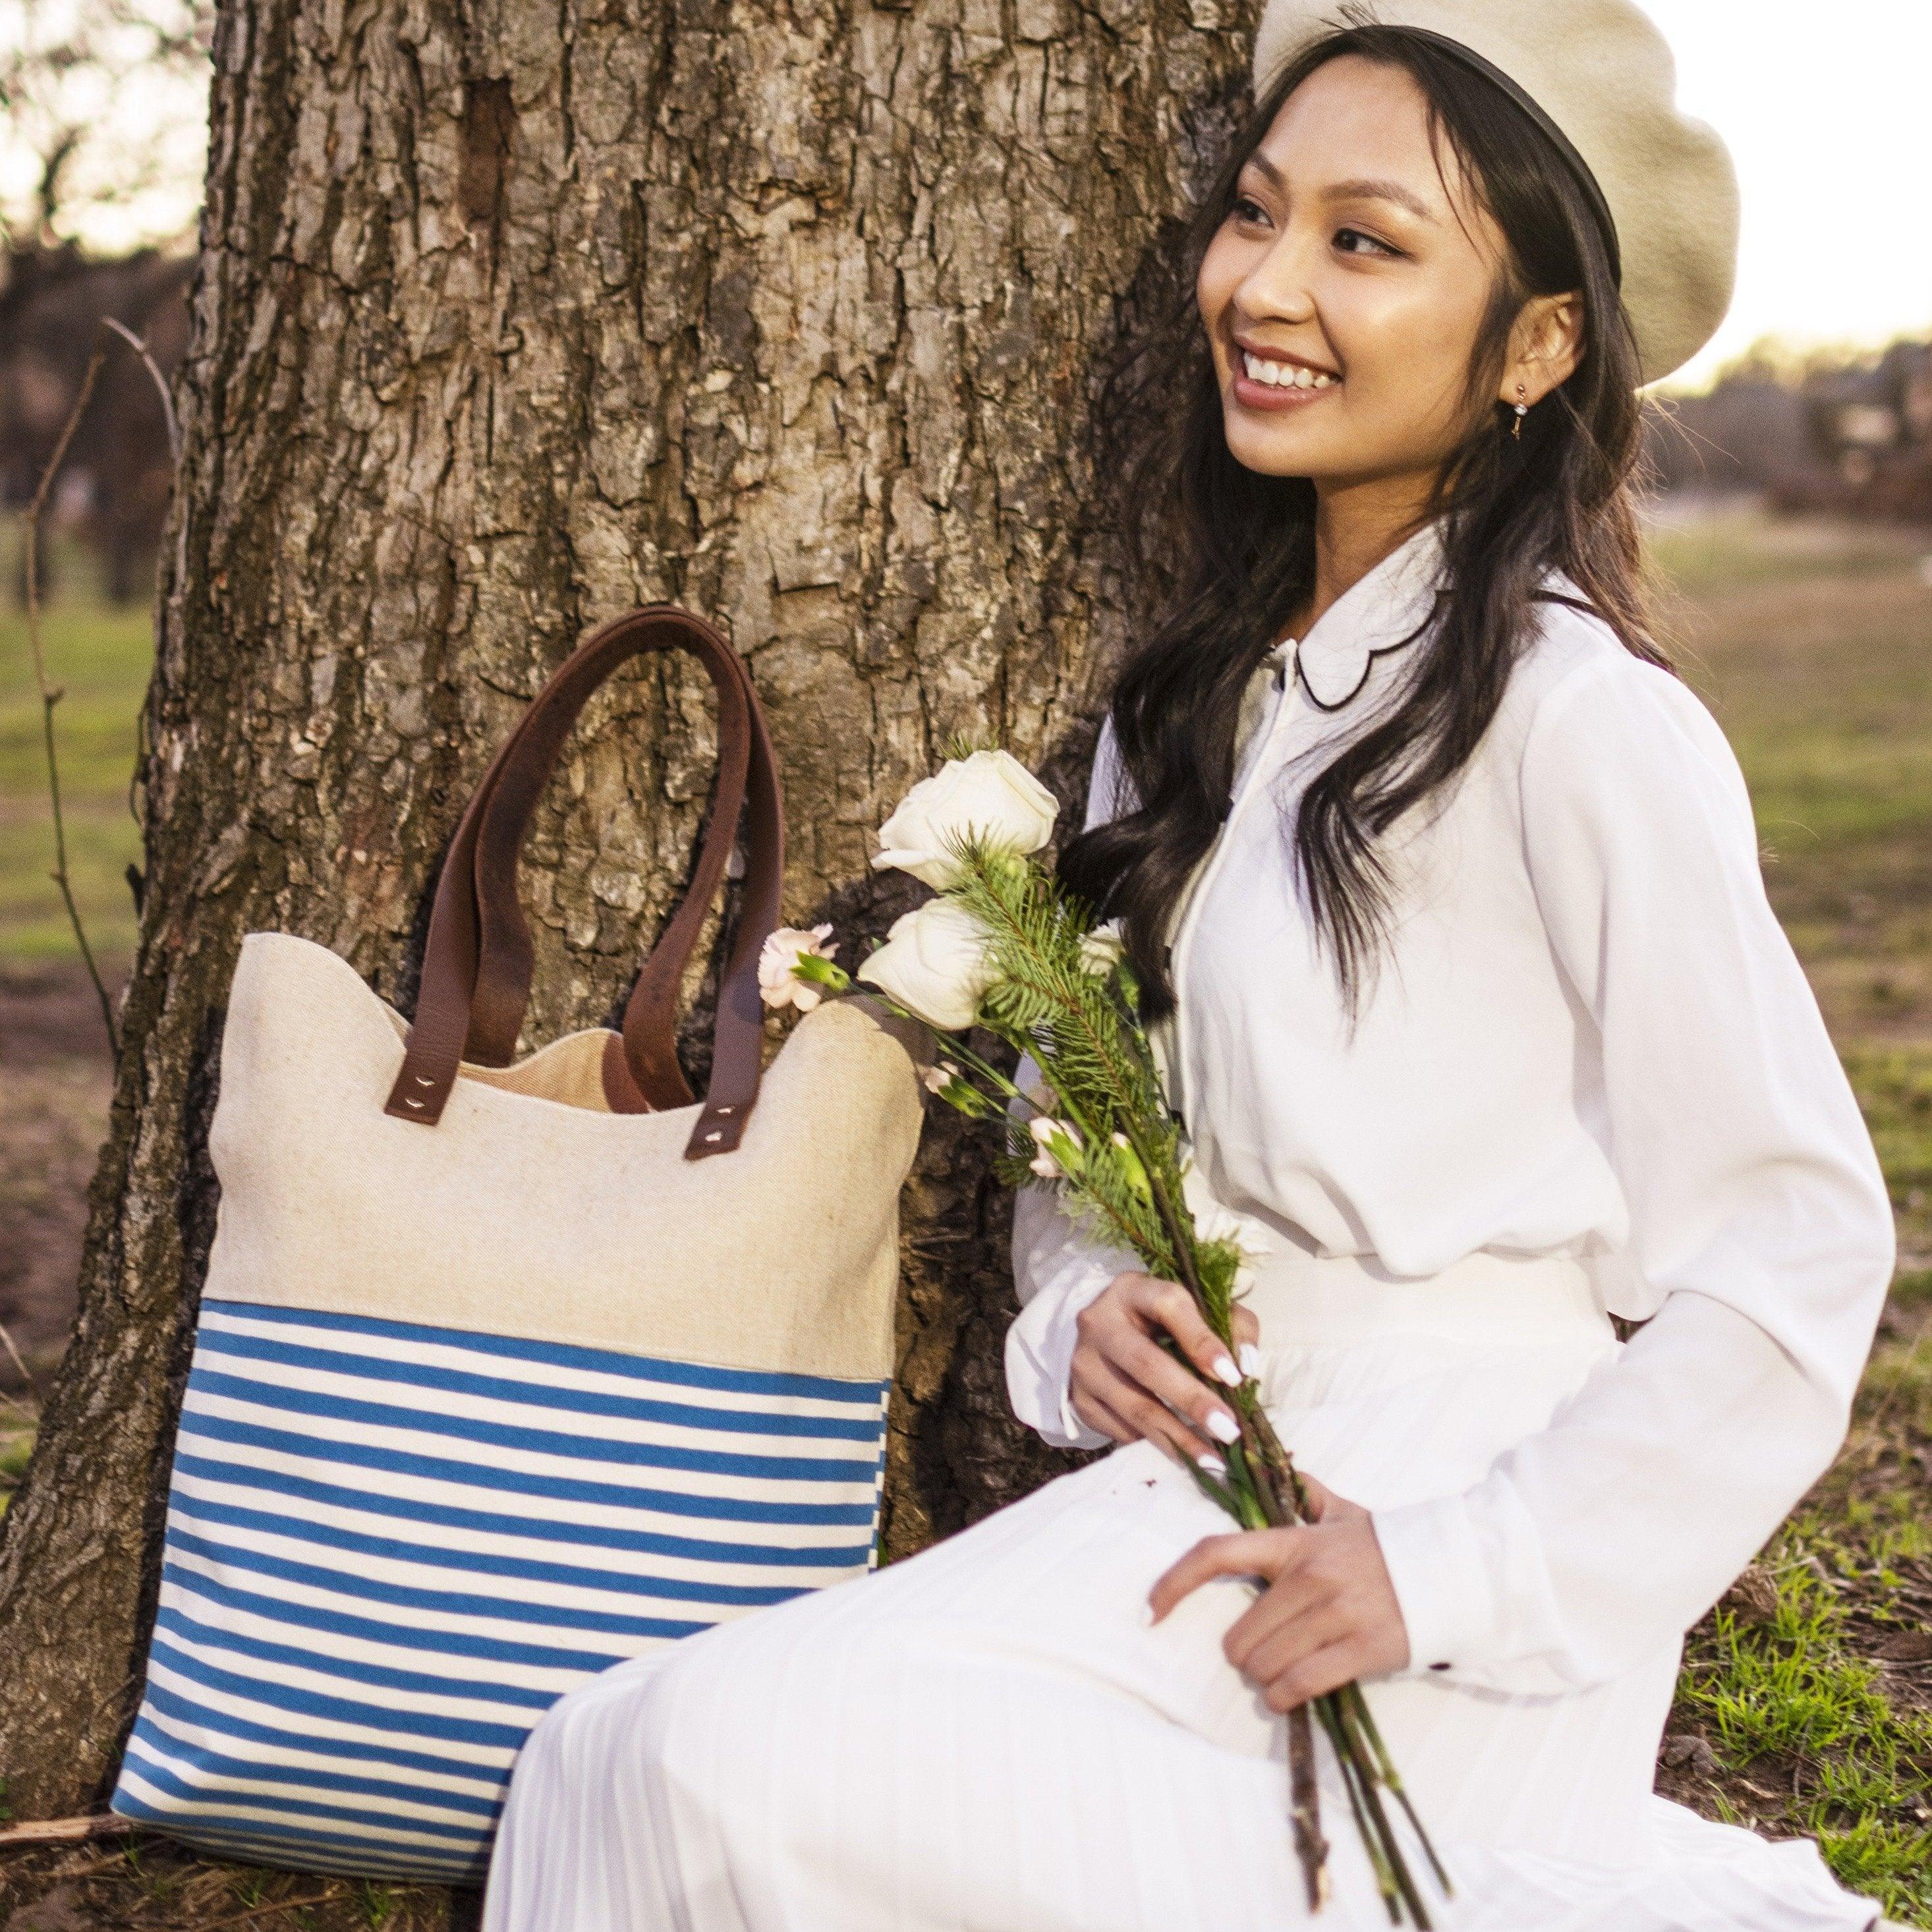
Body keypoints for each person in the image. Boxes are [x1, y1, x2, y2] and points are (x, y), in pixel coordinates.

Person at [478, 3, 1899, 1927]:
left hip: (1443, 1531)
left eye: (1367, 241)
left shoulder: (1579, 720)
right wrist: (1083, 1311)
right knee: (612, 1747)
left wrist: (1451, 1565)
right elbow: (1096, 1156)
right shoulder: (1196, 707)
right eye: (1256, 215)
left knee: (715, 1764)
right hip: (1202, 1478)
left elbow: (1796, 1255)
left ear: (1537, 346)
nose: (1267, 285)